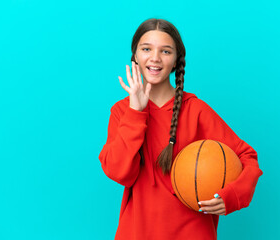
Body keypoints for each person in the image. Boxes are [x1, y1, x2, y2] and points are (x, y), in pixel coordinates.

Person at [98, 18, 263, 240]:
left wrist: (232, 195)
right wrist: (136, 111)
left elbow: (247, 156)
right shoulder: (121, 111)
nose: (155, 58)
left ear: (176, 61)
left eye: (165, 51)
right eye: (146, 49)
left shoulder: (196, 110)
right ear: (135, 56)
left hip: (193, 232)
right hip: (137, 232)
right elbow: (120, 172)